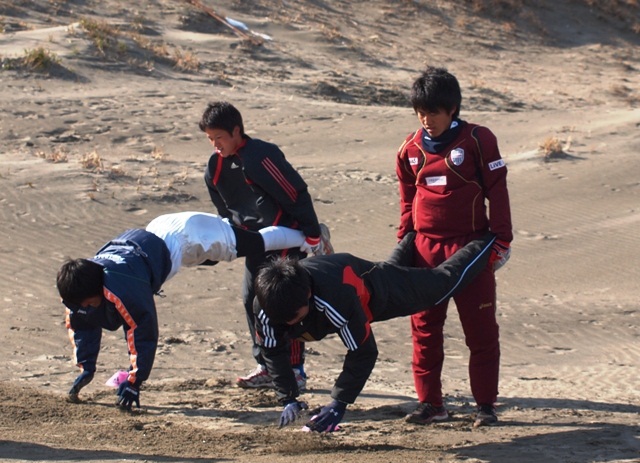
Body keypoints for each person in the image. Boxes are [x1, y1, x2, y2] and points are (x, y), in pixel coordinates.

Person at [57, 211, 308, 410]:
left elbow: (142, 332)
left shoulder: (124, 288)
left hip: (186, 236)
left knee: (255, 243)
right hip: (158, 232)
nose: (86, 308)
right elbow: (81, 321)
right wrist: (86, 367)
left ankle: (310, 237)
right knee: (241, 237)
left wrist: (135, 380)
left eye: (88, 302)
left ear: (99, 288)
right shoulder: (84, 280)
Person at [253, 232, 496, 432]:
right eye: (281, 320)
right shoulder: (266, 306)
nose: (287, 325)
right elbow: (272, 351)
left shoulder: (335, 299)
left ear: (307, 295)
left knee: (441, 284)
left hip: (375, 292)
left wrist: (339, 403)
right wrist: (289, 399)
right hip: (352, 281)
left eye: (294, 318)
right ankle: (413, 233)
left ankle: (488, 242)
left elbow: (363, 351)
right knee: (393, 269)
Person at [395, 66, 513, 427]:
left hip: (470, 249)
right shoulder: (409, 149)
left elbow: (498, 189)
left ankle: (485, 406)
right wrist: (403, 244)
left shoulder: (478, 139)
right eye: (420, 112)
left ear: (452, 109)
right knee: (424, 331)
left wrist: (502, 239)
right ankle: (431, 404)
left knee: (480, 332)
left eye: (433, 112)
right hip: (425, 250)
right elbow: (407, 201)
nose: (426, 120)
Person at [200, 101, 332, 391]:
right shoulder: (215, 167)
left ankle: (294, 370)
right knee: (251, 299)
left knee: (281, 301)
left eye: (219, 137)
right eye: (210, 139)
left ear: (236, 131)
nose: (215, 145)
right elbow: (224, 209)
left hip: (286, 236)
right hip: (256, 241)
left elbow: (295, 192)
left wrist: (311, 233)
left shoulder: (260, 156)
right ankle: (267, 366)